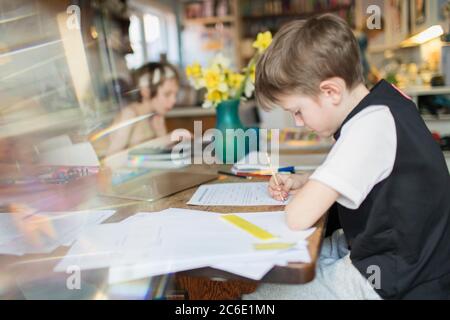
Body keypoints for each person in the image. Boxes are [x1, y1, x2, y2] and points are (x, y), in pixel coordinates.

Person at [244, 14, 450, 300]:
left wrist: (309, 192)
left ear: (331, 91)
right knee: (291, 264)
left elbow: (297, 217)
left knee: (261, 297)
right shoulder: (382, 105)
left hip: (398, 276)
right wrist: (307, 180)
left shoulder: (368, 127)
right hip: (401, 254)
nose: (298, 123)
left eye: (297, 111)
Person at [107, 62, 185, 155]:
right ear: (146, 91)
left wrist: (161, 133)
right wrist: (168, 138)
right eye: (167, 94)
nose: (173, 100)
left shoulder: (155, 117)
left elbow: (163, 155)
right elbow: (112, 157)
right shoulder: (130, 114)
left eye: (175, 94)